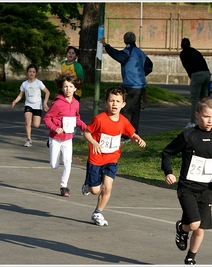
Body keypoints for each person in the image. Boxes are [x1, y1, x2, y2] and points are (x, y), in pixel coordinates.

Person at [161, 96, 212, 265]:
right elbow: (167, 152)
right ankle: (182, 227)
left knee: (200, 229)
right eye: (206, 116)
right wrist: (168, 172)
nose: (210, 121)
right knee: (194, 224)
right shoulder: (188, 136)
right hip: (187, 188)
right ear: (197, 114)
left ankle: (190, 258)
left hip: (206, 189)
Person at [81, 86, 147, 226]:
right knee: (95, 190)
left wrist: (137, 139)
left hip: (112, 159)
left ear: (123, 104)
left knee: (107, 187)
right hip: (96, 158)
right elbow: (86, 132)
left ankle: (98, 213)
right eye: (111, 101)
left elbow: (131, 134)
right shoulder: (99, 119)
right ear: (106, 103)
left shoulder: (123, 121)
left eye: (117, 101)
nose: (114, 104)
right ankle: (88, 186)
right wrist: (94, 142)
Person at [100, 32, 153, 142]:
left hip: (131, 85)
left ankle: (125, 135)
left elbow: (117, 55)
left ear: (125, 41)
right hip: (140, 85)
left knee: (126, 110)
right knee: (135, 111)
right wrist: (141, 76)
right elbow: (149, 66)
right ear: (135, 40)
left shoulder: (128, 51)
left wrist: (106, 46)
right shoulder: (140, 52)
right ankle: (133, 134)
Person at [43, 75, 87, 197]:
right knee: (54, 165)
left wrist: (86, 128)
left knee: (68, 161)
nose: (68, 89)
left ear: (75, 88)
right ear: (62, 88)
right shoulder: (57, 103)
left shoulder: (76, 104)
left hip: (68, 138)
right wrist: (55, 128)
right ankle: (49, 143)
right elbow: (47, 118)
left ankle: (64, 186)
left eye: (70, 86)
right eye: (65, 86)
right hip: (55, 137)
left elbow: (77, 119)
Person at [12, 63, 50, 147]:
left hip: (37, 105)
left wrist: (45, 103)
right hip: (28, 104)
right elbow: (20, 95)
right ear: (27, 73)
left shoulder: (39, 83)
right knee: (27, 121)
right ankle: (28, 140)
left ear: (36, 73)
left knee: (36, 125)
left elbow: (47, 92)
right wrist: (15, 101)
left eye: (33, 72)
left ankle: (34, 120)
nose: (31, 73)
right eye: (30, 71)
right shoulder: (24, 84)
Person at [179, 38, 211, 129]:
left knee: (195, 99)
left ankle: (192, 122)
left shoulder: (183, 53)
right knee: (204, 99)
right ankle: (207, 119)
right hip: (206, 73)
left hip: (197, 75)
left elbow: (187, 67)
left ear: (181, 46)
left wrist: (192, 77)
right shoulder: (196, 51)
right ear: (189, 44)